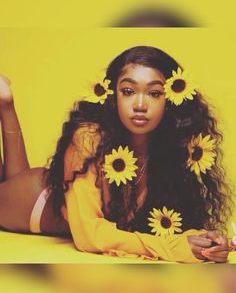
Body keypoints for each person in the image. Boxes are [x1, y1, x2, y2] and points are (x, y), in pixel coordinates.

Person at [0, 46, 234, 263]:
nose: (140, 104)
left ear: (170, 99)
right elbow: (89, 236)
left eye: (154, 93)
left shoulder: (175, 150)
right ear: (113, 95)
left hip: (31, 187)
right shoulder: (88, 137)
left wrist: (204, 242)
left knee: (11, 177)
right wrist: (173, 248)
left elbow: (166, 230)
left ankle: (5, 103)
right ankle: (5, 104)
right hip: (25, 200)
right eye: (128, 91)